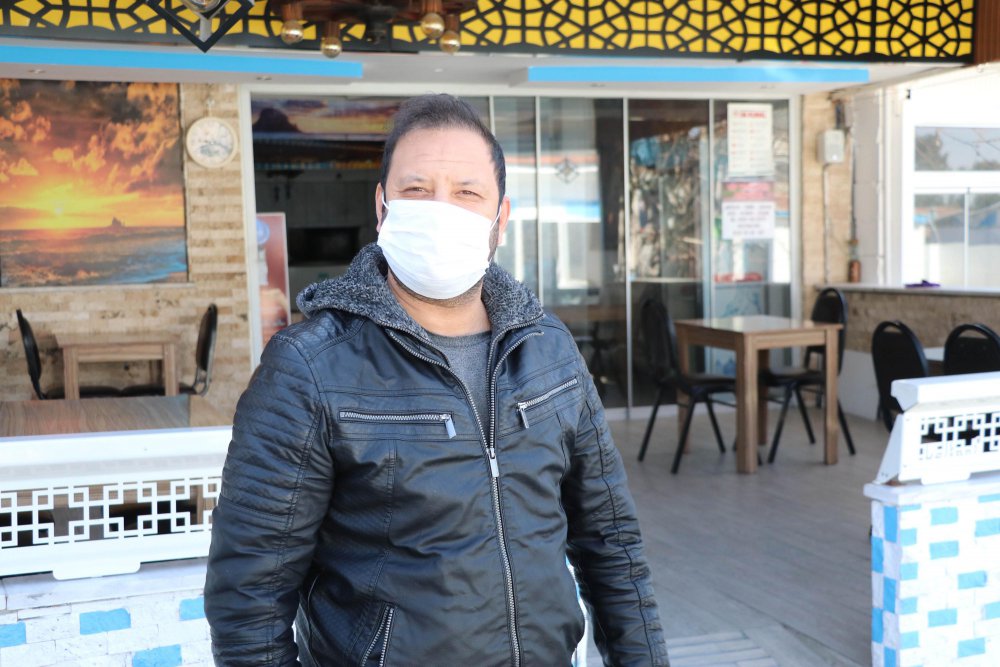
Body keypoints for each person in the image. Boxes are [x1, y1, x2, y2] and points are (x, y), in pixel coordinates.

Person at [205, 93, 668, 666]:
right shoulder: (309, 367)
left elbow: (611, 543)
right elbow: (248, 596)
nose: (441, 210)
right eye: (417, 189)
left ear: (500, 218)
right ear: (382, 208)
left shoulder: (549, 349)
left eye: (467, 193)